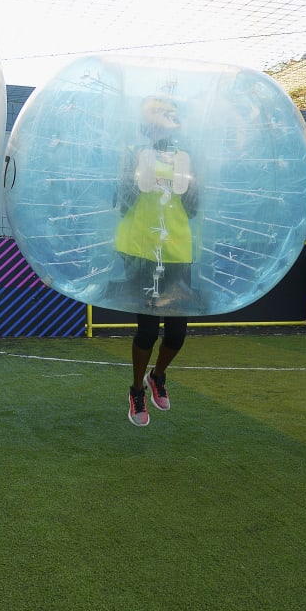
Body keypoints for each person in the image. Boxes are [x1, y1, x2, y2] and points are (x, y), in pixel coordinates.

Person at [113, 93, 199, 426]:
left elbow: (192, 209)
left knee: (177, 334)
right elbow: (121, 202)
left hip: (177, 251)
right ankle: (136, 390)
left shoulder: (187, 160)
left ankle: (157, 376)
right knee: (147, 331)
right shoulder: (135, 155)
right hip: (140, 249)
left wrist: (193, 188)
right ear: (146, 126)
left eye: (170, 116)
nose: (165, 124)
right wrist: (132, 178)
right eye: (158, 117)